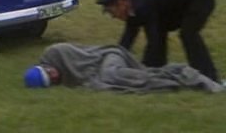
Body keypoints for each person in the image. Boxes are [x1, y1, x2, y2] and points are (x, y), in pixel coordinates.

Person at [96, 0, 219, 82]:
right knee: (160, 33)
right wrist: (115, 60)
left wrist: (146, 73)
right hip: (176, 9)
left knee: (188, 34)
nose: (114, 17)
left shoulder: (143, 6)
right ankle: (158, 70)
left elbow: (154, 41)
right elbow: (127, 40)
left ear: (122, 3)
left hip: (200, 0)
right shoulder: (133, 9)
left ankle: (208, 76)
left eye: (112, 12)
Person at [23, 43, 223, 93]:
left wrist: (92, 81)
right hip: (102, 70)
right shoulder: (61, 79)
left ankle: (193, 78)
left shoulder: (55, 53)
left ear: (45, 68)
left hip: (108, 58)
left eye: (50, 74)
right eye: (53, 80)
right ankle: (180, 79)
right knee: (134, 80)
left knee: (115, 76)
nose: (56, 76)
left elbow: (87, 64)